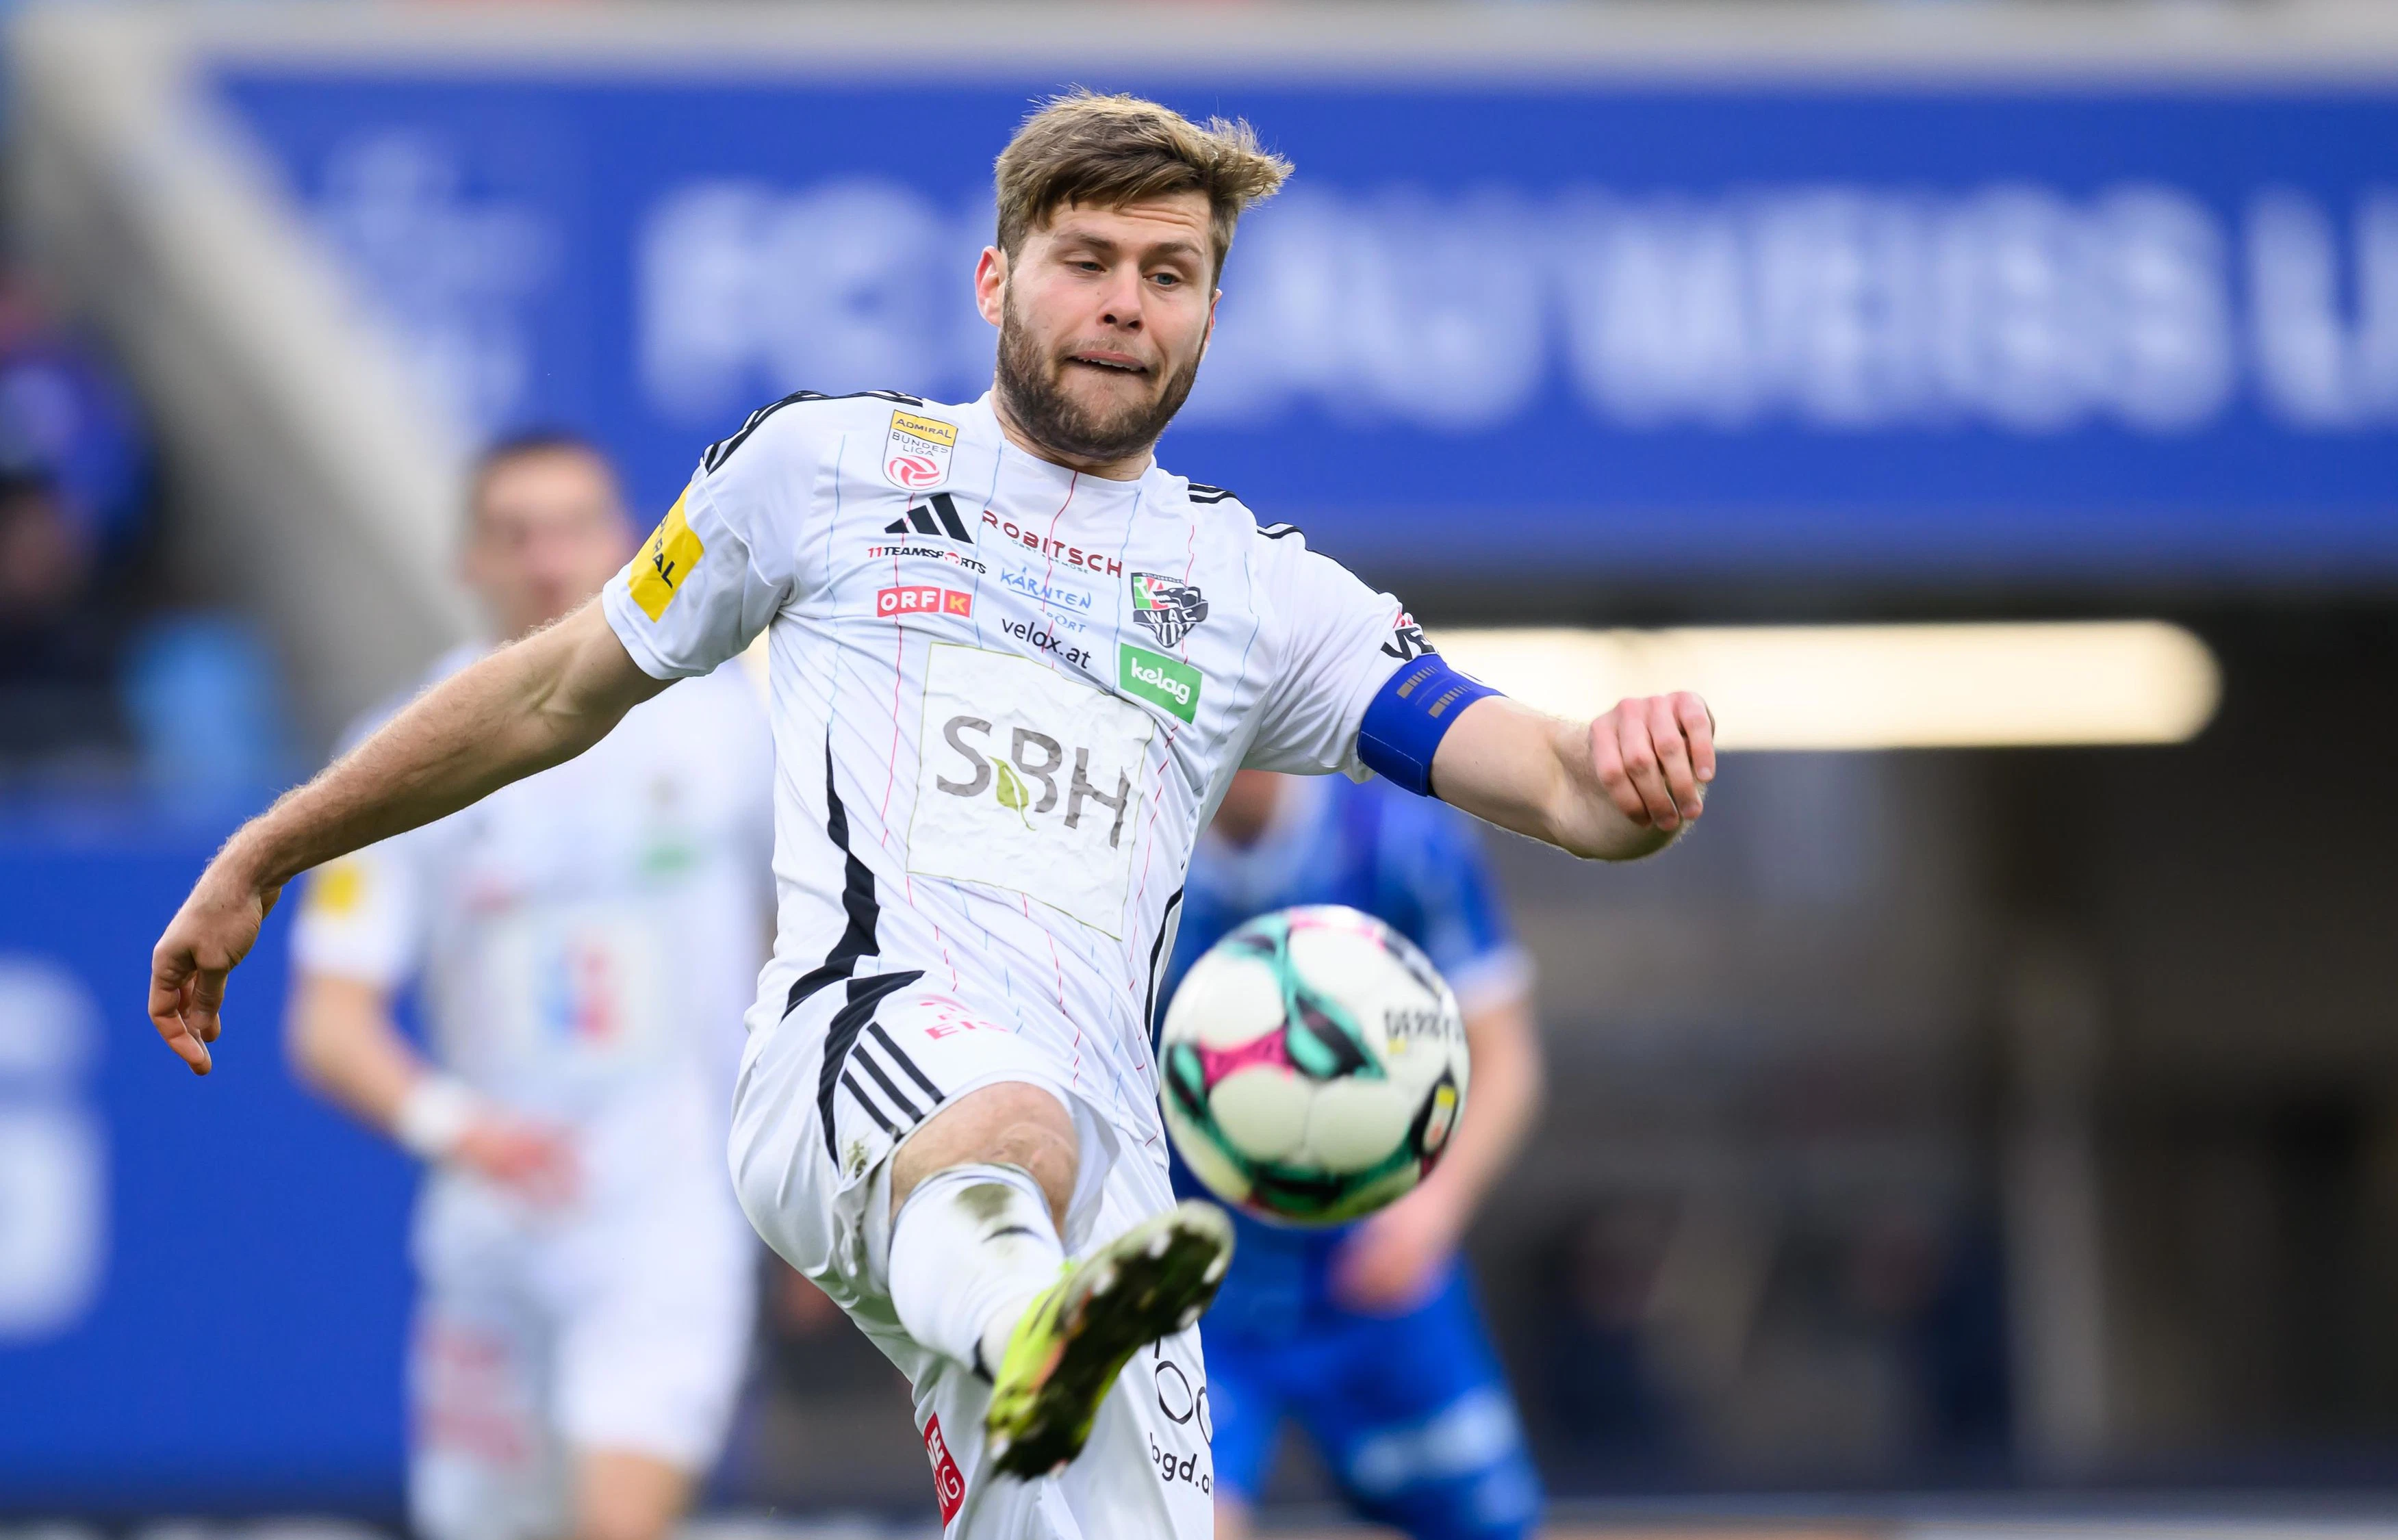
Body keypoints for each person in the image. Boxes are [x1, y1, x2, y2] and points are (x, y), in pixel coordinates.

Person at [146, 91, 1716, 1540]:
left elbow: (1558, 783)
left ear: (1211, 314)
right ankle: (1031, 1316)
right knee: (1005, 1124)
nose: (1124, 301)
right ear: (992, 279)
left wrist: (1628, 762)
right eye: (1084, 257)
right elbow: (554, 686)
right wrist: (270, 846)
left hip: (1115, 1197)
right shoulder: (824, 469)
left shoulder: (1260, 596)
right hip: (857, 1058)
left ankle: (1041, 1321)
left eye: (1169, 272)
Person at [281, 433, 773, 1540]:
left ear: (629, 543)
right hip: (494, 1230)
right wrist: (467, 1131)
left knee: (616, 1525)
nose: (549, 561)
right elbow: (330, 1024)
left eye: (574, 529)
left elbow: (811, 938)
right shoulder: (397, 757)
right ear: (467, 559)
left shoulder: (732, 729)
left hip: (666, 1213)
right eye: (516, 534)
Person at [1171, 769, 1545, 1540]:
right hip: (1198, 1290)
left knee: (1490, 1527)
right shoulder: (1126, 860)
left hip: (1377, 1279)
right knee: (1183, 1526)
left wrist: (1433, 1208)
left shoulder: (1404, 845)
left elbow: (1507, 1060)